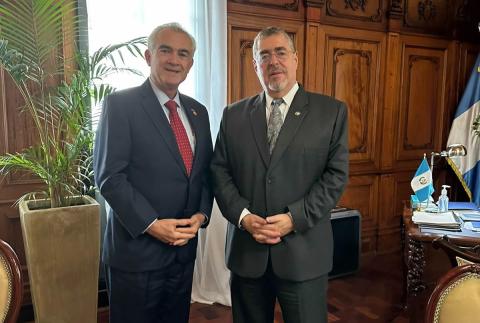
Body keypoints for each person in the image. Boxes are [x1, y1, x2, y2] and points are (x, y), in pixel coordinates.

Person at [211, 26, 349, 323]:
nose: (273, 61)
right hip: (248, 253)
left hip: (304, 255)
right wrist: (244, 217)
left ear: (295, 59)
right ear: (255, 65)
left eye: (280, 52)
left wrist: (293, 219)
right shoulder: (233, 115)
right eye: (264, 55)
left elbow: (335, 177)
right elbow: (219, 172)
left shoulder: (331, 112)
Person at [94, 23, 213, 323]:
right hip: (137, 256)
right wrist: (152, 224)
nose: (175, 59)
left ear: (190, 63)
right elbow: (110, 177)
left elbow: (206, 174)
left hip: (183, 254)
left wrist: (201, 215)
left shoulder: (199, 112)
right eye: (166, 50)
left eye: (183, 53)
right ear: (149, 56)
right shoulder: (121, 105)